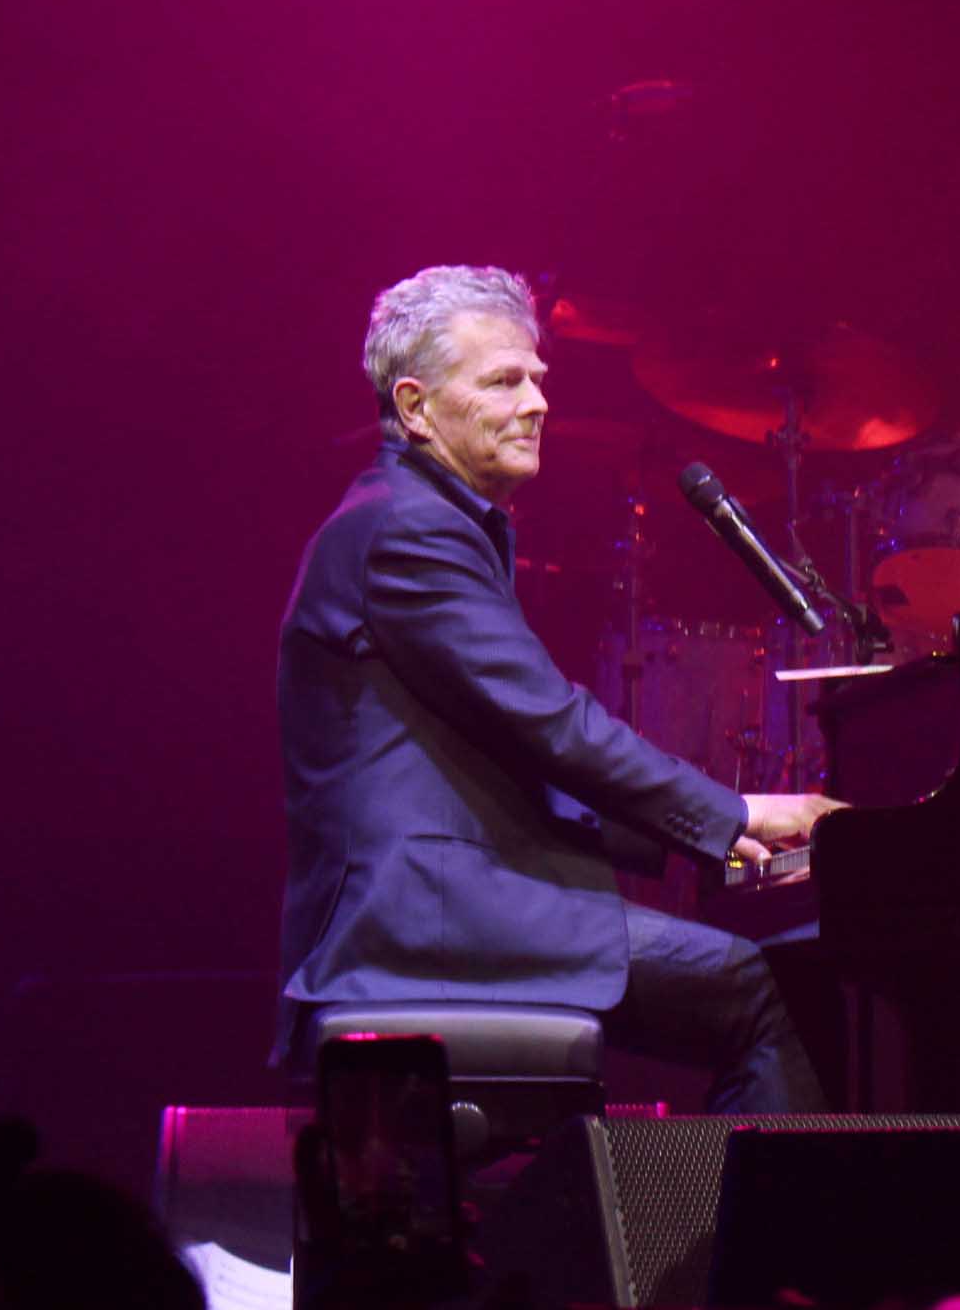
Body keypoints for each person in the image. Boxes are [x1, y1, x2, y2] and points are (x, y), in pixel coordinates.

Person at [275, 265, 842, 1111]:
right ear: (416, 407)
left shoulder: (420, 519)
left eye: (538, 378)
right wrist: (738, 815)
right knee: (762, 994)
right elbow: (554, 726)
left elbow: (516, 760)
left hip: (453, 900)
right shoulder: (405, 531)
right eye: (504, 381)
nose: (538, 403)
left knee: (758, 979)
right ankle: (757, 1208)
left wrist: (711, 844)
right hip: (423, 917)